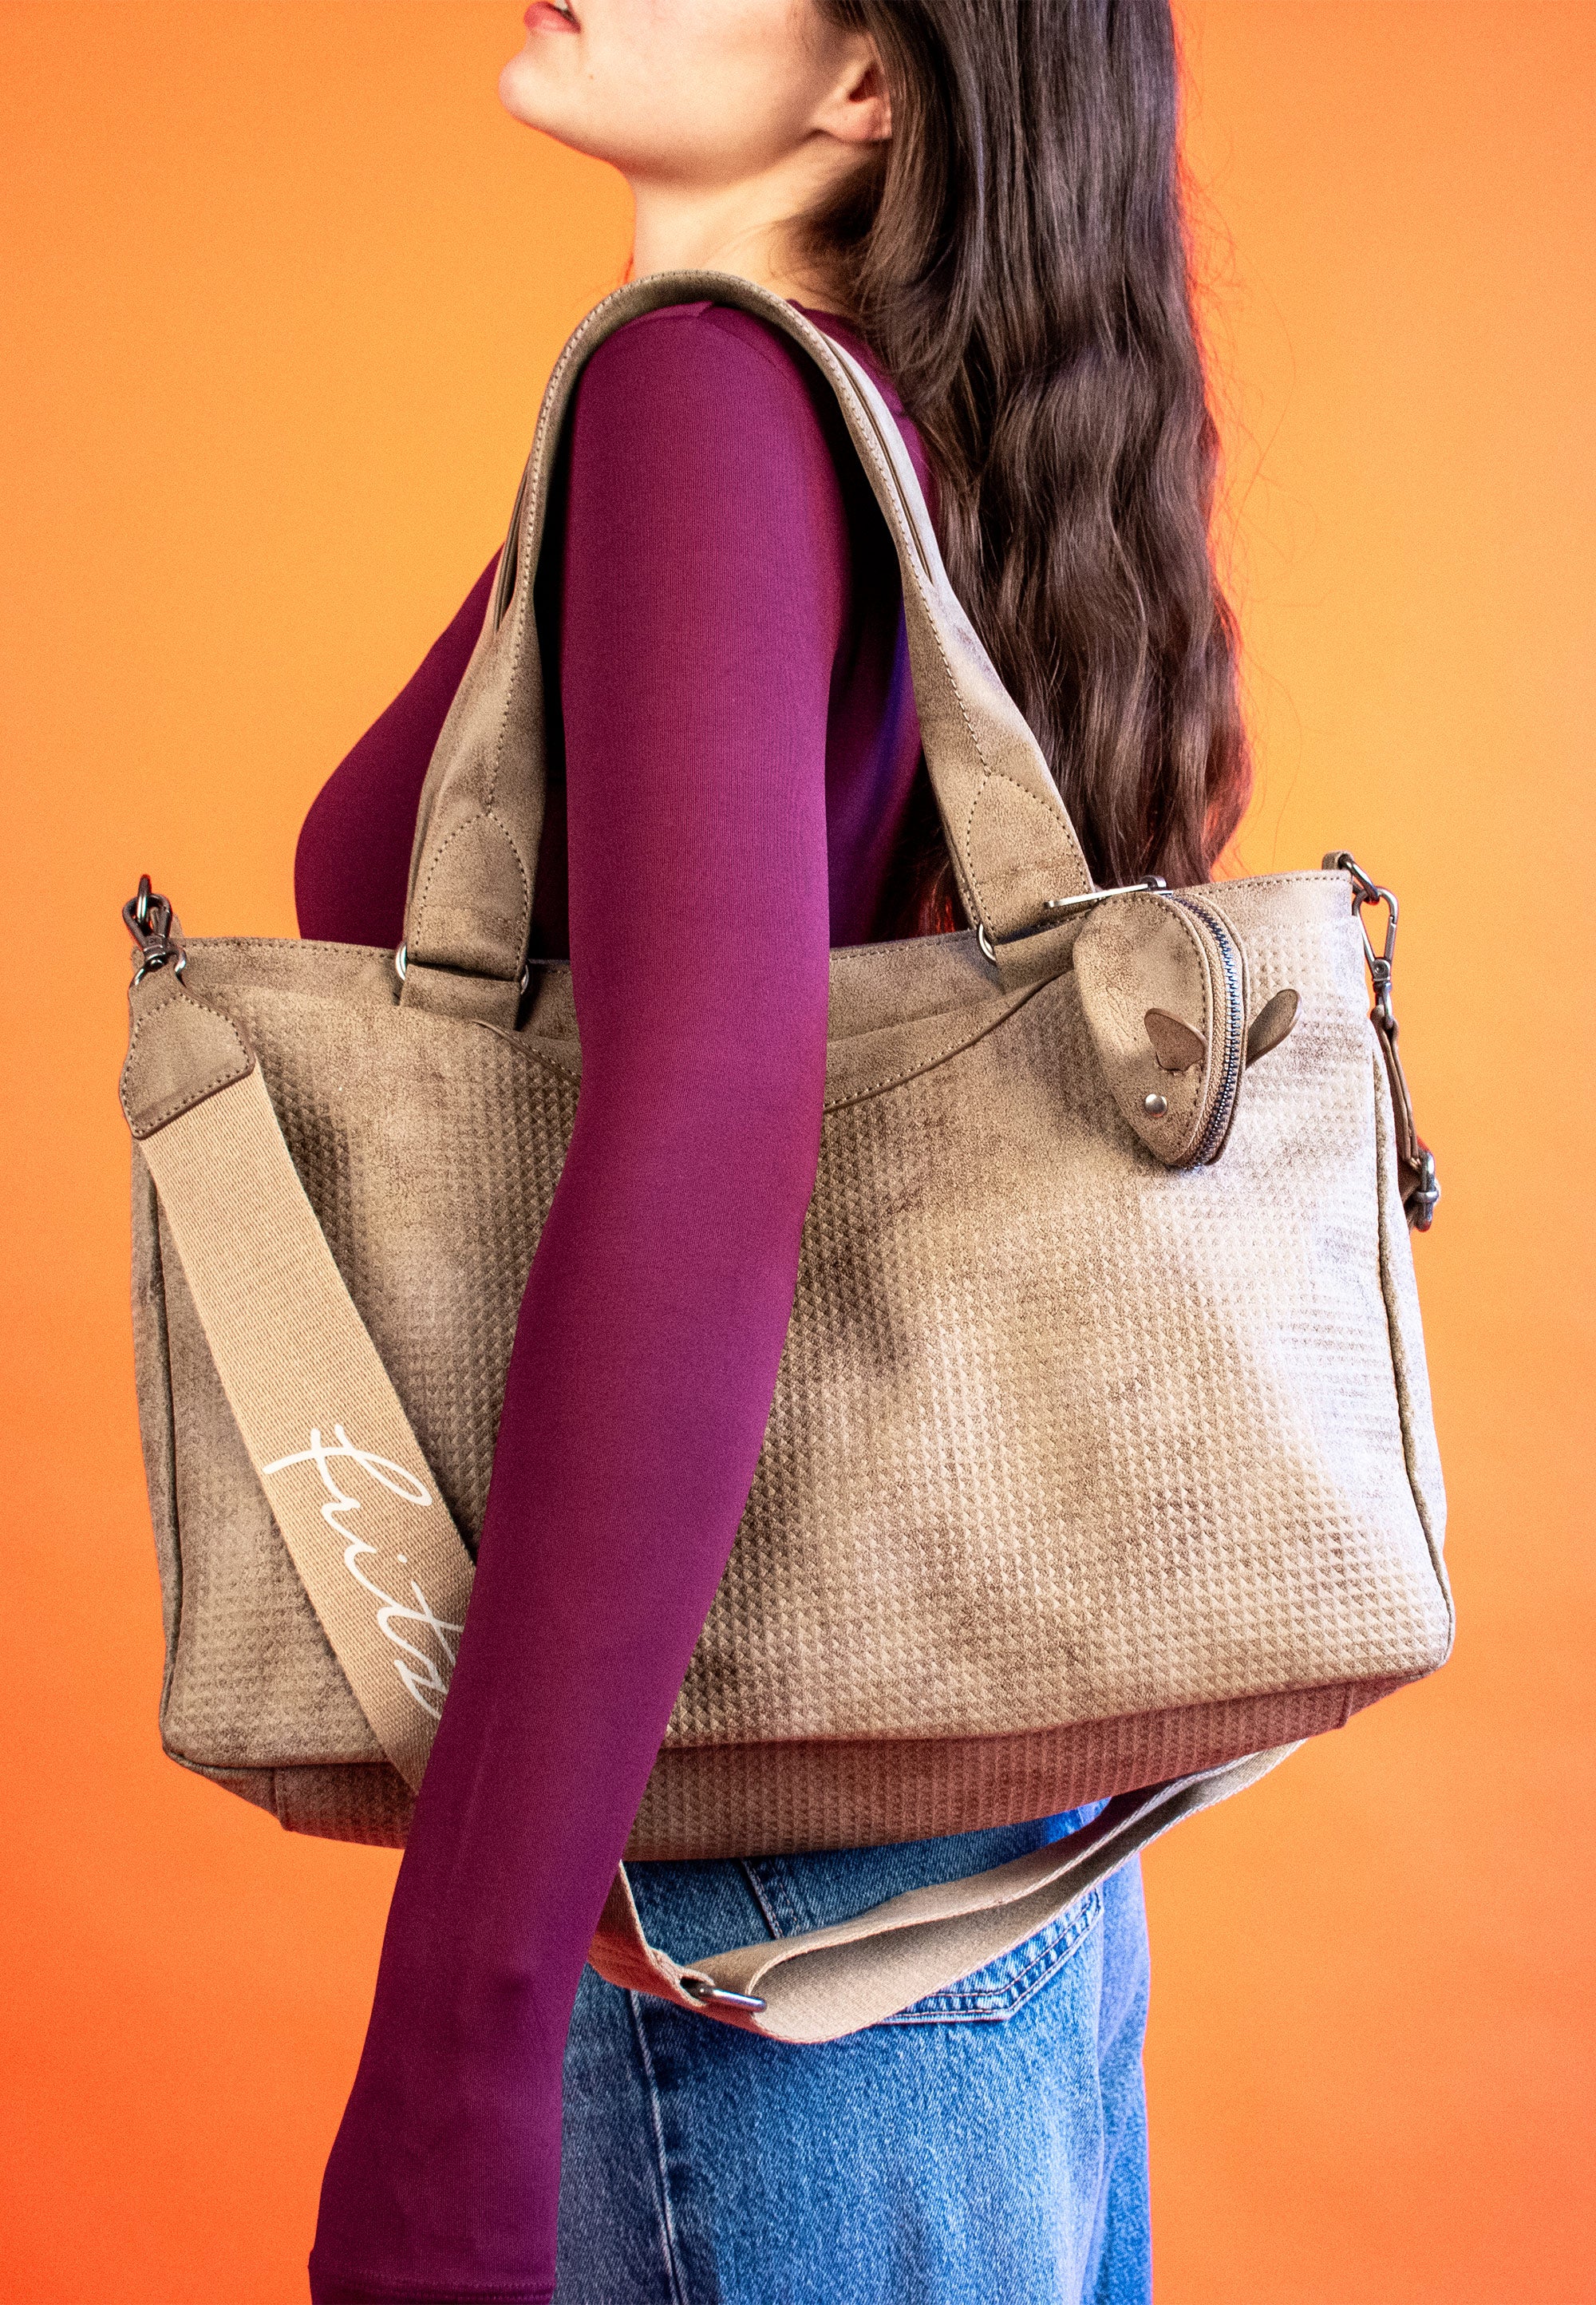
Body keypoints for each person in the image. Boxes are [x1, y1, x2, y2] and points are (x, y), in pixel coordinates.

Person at [294, 1, 1251, 2299]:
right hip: (992, 1860)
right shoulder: (929, 437)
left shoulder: (702, 405)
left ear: (871, 86)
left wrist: (456, 2040)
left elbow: (703, 1161)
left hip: (751, 1907)